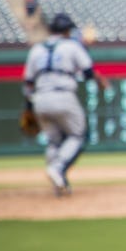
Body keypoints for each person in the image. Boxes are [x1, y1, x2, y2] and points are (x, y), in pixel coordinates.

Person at [22, 13, 110, 196]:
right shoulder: (71, 46)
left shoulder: (37, 49)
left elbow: (28, 83)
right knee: (78, 136)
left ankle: (58, 183)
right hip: (63, 95)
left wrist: (29, 107)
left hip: (40, 99)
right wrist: (101, 82)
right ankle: (58, 169)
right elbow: (88, 72)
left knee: (54, 141)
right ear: (68, 30)